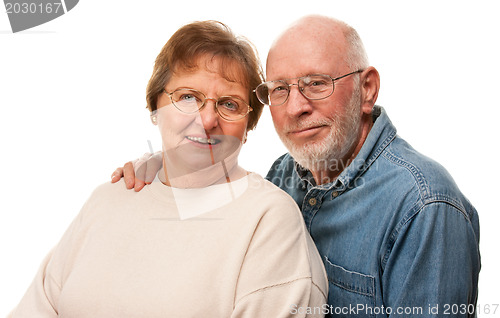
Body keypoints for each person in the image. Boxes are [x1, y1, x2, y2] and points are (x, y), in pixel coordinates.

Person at [115, 15, 481, 317]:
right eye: (279, 89)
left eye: (317, 84)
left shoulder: (425, 207)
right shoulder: (285, 173)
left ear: (367, 89)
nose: (295, 108)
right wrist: (167, 170)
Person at [10, 20, 328, 317]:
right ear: (156, 107)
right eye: (188, 97)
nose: (207, 120)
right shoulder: (107, 200)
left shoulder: (269, 220)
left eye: (229, 104)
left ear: (248, 126)